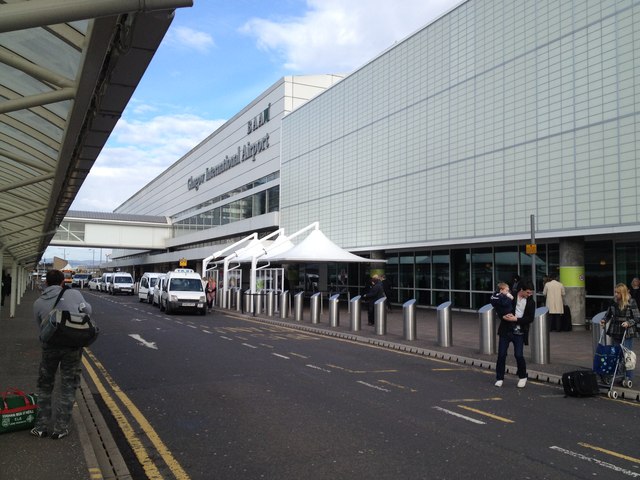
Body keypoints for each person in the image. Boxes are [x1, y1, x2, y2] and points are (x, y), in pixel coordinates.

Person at [31, 269, 92, 439]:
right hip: (72, 347)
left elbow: (41, 328)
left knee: (45, 385)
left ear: (46, 282)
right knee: (68, 385)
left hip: (50, 347)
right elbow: (87, 312)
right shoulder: (74, 294)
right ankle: (60, 428)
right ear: (62, 282)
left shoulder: (38, 302)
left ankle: (41, 427)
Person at [494, 281, 535, 388]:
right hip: (506, 330)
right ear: (521, 290)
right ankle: (499, 378)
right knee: (501, 355)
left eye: (531, 293)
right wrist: (502, 316)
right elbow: (499, 306)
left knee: (519, 355)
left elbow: (530, 318)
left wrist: (516, 319)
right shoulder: (510, 295)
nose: (530, 295)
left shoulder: (531, 302)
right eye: (528, 292)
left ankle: (522, 377)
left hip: (519, 332)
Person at [600, 283, 639, 383]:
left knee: (627, 355)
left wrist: (628, 322)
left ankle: (628, 377)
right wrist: (604, 320)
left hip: (627, 331)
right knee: (615, 354)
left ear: (623, 293)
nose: (616, 294)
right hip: (615, 329)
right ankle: (616, 374)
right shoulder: (613, 301)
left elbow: (637, 317)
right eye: (615, 292)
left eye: (618, 292)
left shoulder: (631, 301)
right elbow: (608, 314)